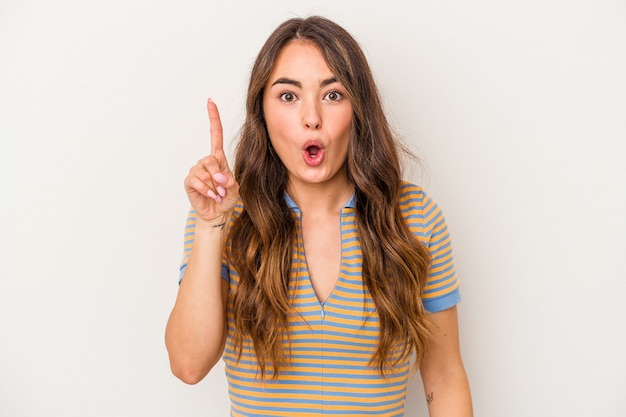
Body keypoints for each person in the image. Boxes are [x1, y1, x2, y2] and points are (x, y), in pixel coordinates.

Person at [165, 16, 473, 417]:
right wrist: (210, 226)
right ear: (263, 111)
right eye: (288, 96)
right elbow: (188, 365)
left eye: (333, 95)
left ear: (358, 109)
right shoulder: (225, 217)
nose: (311, 117)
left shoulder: (414, 218)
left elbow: (444, 376)